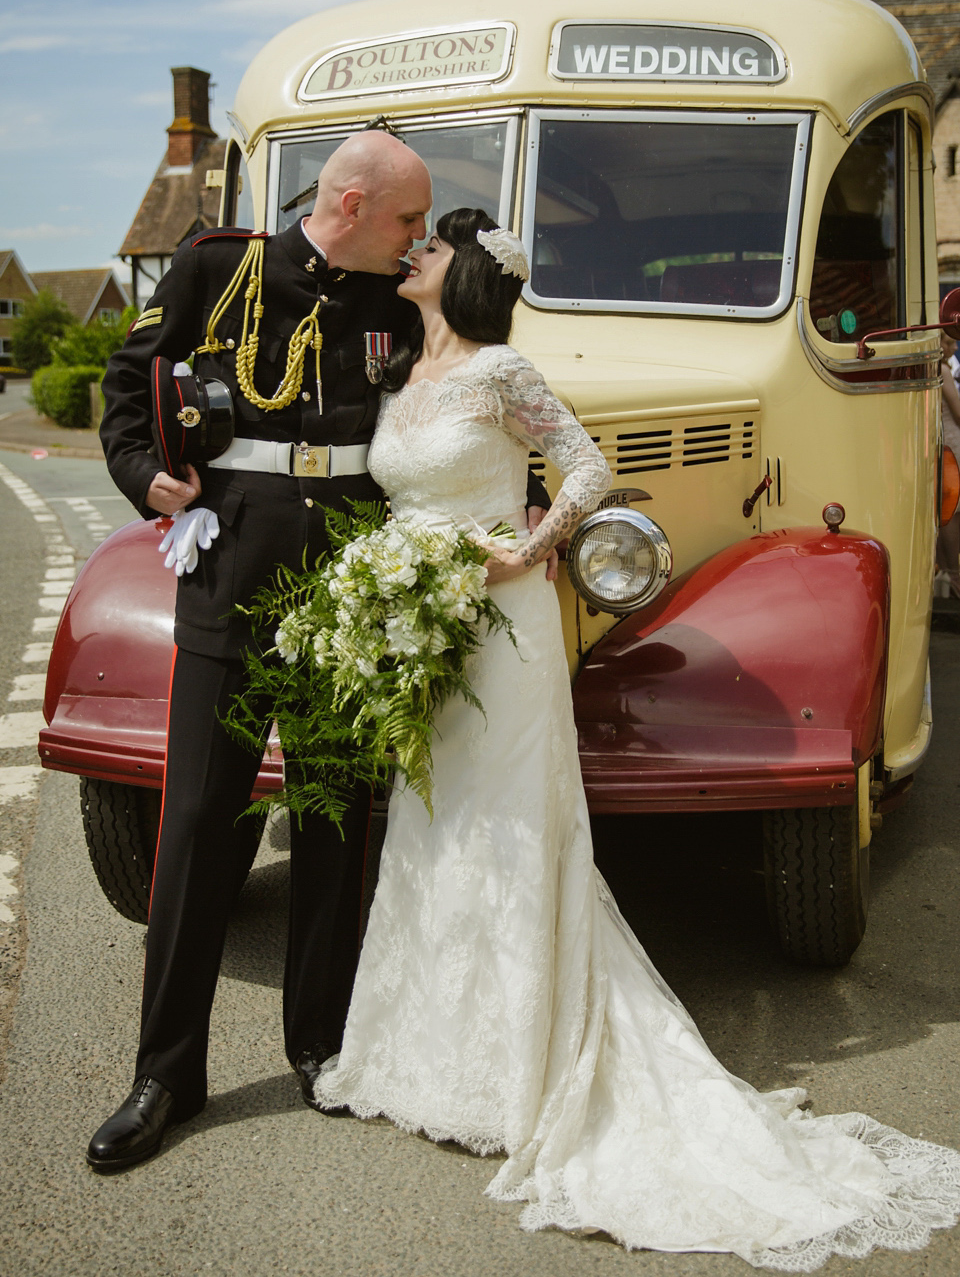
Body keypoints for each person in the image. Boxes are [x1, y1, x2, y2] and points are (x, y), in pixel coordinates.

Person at [311, 207, 960, 1270]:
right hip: (421, 623)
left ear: (463, 273)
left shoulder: (500, 368)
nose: (414, 250)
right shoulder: (401, 375)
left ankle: (526, 1066)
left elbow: (587, 466)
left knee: (513, 823)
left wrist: (532, 547)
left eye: (432, 244)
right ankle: (419, 1054)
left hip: (500, 622)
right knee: (435, 821)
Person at [88, 134, 550, 1173]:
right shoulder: (216, 267)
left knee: (337, 825)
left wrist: (517, 496)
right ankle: (165, 1072)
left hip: (350, 589)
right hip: (233, 583)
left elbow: (479, 380)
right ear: (347, 201)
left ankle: (321, 1044)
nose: (416, 239)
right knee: (200, 824)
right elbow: (131, 380)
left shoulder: (401, 301)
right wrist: (139, 473)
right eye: (405, 220)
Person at [937, 331, 960, 600]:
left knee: (947, 508)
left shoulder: (937, 367)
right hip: (954, 443)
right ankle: (954, 573)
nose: (953, 347)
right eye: (949, 342)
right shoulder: (942, 368)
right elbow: (957, 412)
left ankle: (947, 569)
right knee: (953, 510)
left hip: (946, 444)